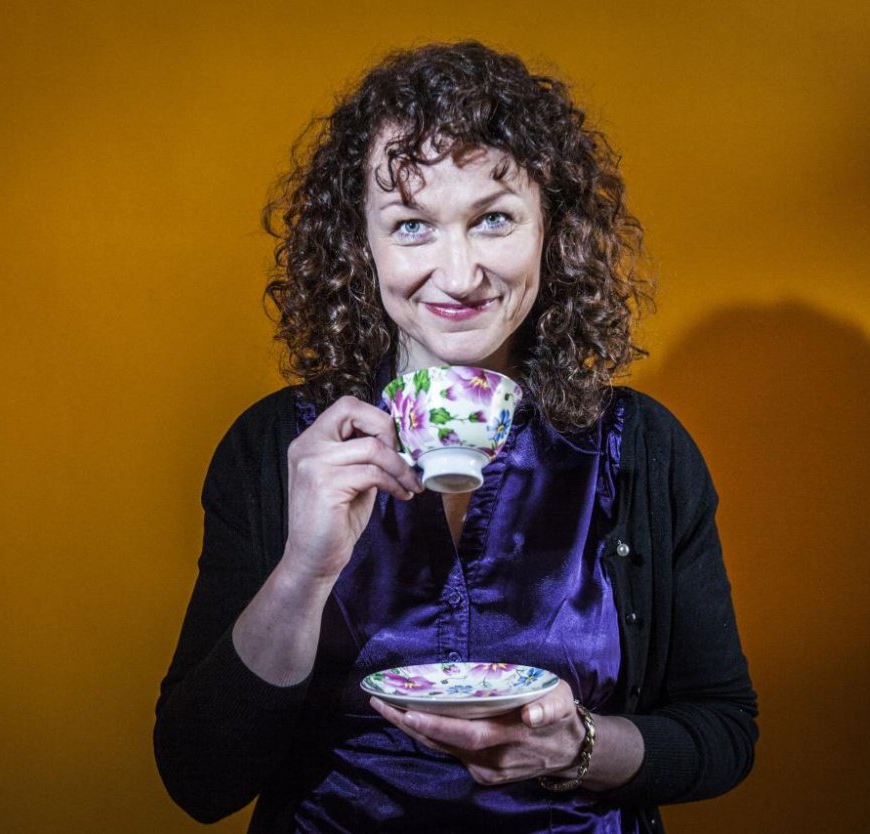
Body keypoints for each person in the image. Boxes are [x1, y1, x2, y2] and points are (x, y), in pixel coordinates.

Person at [154, 41, 756, 833]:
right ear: (360, 244)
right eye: (411, 226)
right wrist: (304, 571)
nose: (460, 274)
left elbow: (723, 730)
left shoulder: (639, 450)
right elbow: (199, 780)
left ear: (552, 229)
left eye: (494, 219)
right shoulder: (277, 449)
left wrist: (579, 747)